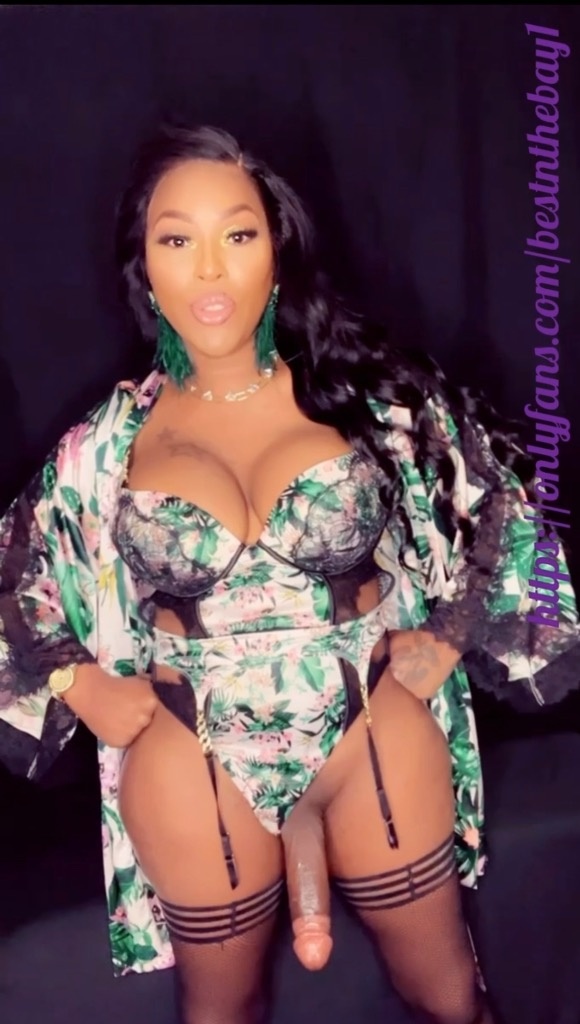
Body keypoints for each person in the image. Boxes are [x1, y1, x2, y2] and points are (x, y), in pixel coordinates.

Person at [0, 123, 578, 1024]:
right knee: (221, 1012)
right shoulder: (107, 446)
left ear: (277, 249)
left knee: (448, 997)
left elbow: (501, 498)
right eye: (176, 240)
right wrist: (77, 681)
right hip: (194, 757)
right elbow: (14, 573)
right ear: (142, 268)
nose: (209, 268)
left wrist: (452, 634)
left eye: (237, 233)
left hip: (370, 728)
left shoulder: (366, 398)